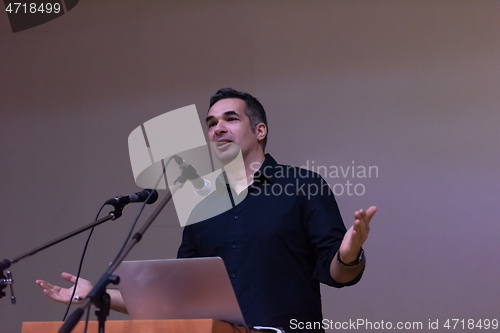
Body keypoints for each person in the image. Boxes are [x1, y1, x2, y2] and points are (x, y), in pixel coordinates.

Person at [37, 88, 376, 332]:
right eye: (211, 123)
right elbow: (177, 297)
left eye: (230, 119)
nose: (217, 128)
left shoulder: (302, 185)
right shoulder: (202, 203)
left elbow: (340, 274)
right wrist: (99, 295)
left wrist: (348, 254)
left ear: (260, 131)